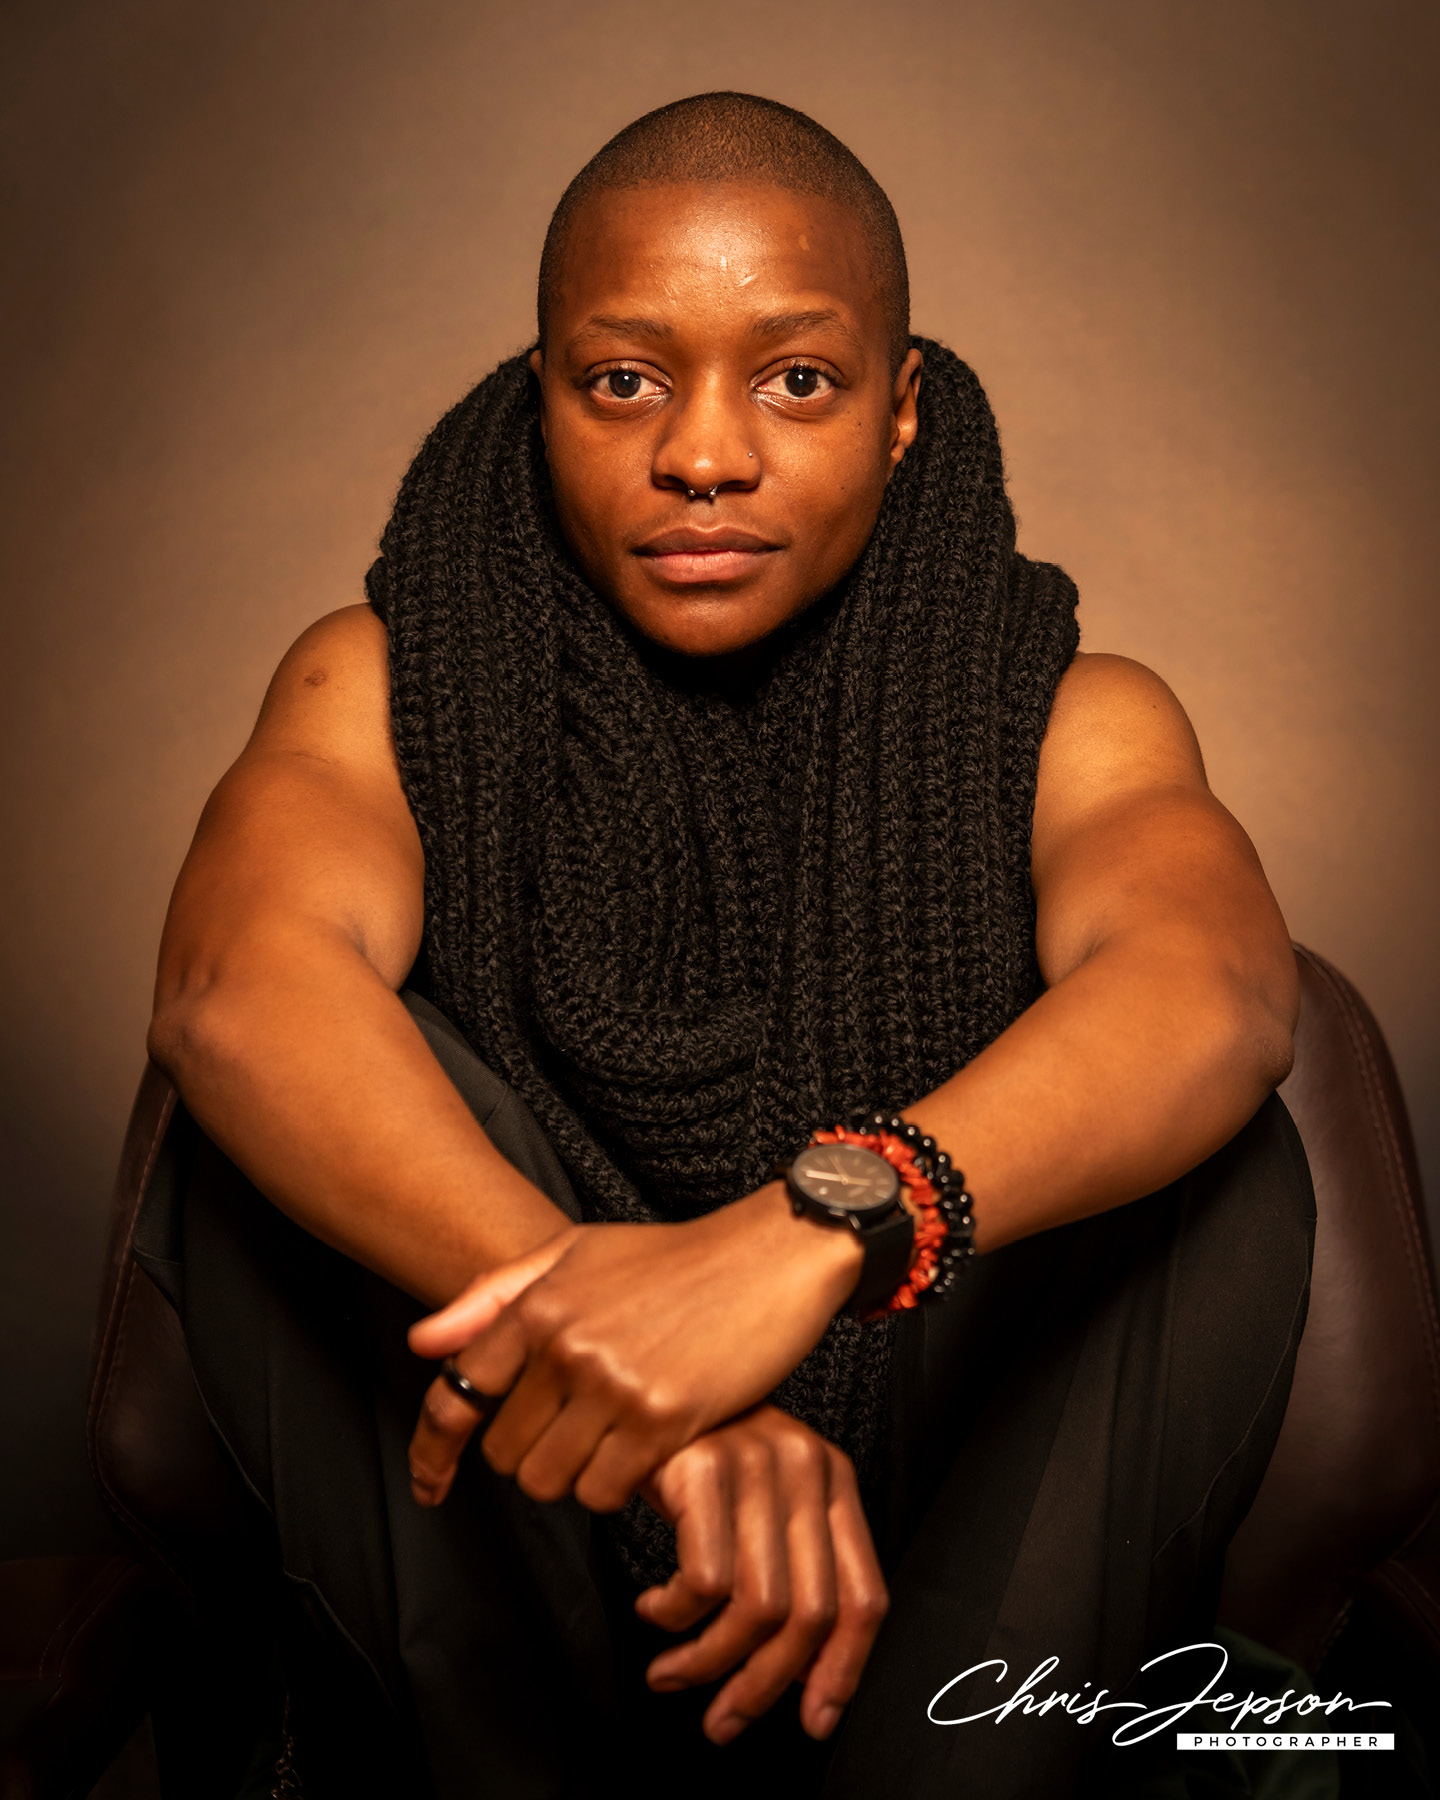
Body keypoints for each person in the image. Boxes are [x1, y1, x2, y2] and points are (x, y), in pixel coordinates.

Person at [143, 93, 1313, 1798]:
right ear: (543, 394)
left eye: (798, 379)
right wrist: (636, 1359)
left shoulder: (1074, 713)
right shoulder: (378, 684)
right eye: (625, 381)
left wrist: (809, 1234)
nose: (704, 453)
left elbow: (1220, 990)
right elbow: (234, 992)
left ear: (901, 409)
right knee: (277, 1128)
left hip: (945, 1566)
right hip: (520, 1562)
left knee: (1224, 1167)